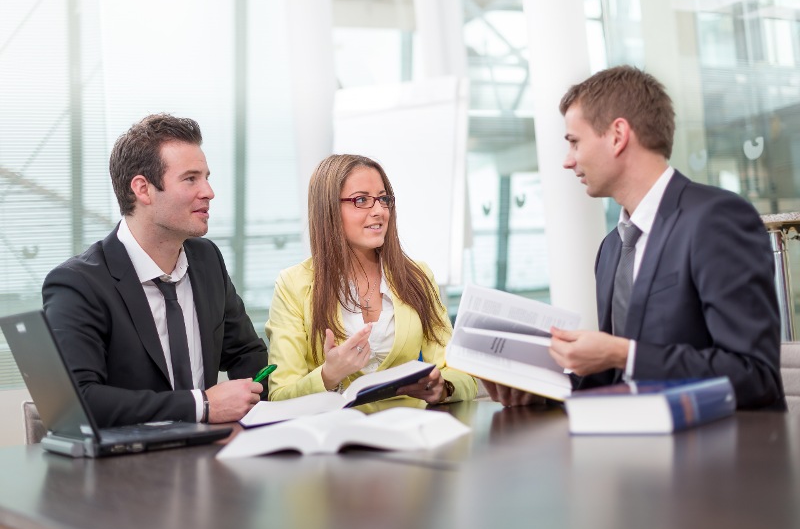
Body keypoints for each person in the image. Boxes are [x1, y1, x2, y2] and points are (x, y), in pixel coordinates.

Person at [485, 65, 785, 410]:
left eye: (574, 142)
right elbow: (613, 379)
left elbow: (754, 374)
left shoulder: (716, 219)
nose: (568, 161)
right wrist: (539, 390)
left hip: (722, 453)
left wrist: (620, 353)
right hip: (636, 447)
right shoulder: (612, 247)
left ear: (617, 135)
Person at [42, 114, 267, 427]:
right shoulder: (78, 284)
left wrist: (316, 380)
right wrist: (200, 405)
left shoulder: (207, 260)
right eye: (191, 179)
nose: (209, 191)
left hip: (214, 455)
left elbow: (246, 355)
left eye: (206, 177)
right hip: (128, 468)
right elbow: (79, 400)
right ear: (142, 189)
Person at [266, 154, 477, 408]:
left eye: (383, 199)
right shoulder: (293, 285)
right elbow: (280, 396)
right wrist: (328, 376)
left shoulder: (417, 277)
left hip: (410, 433)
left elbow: (463, 376)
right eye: (361, 200)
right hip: (336, 437)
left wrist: (443, 387)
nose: (379, 211)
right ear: (329, 209)